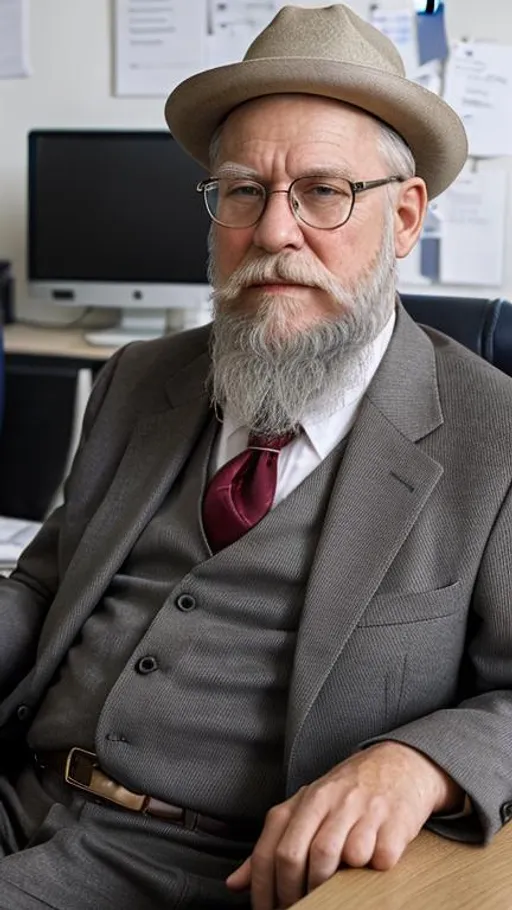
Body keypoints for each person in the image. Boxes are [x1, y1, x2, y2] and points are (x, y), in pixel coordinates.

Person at [1, 4, 512, 909]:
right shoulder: (138, 377)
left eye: (323, 192)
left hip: (222, 874)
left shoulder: (495, 436)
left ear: (403, 217)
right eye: (243, 191)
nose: (274, 233)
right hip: (22, 800)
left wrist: (420, 761)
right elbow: (43, 584)